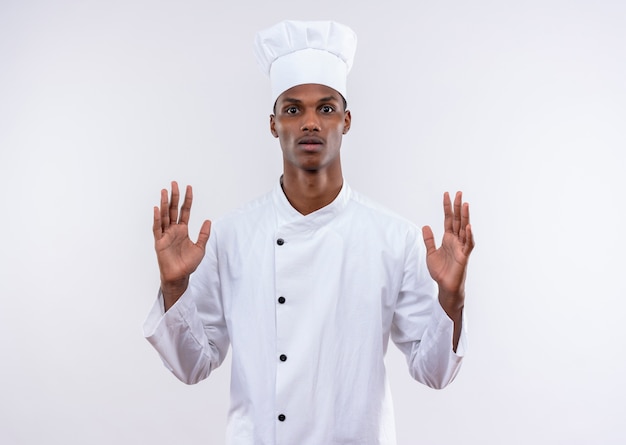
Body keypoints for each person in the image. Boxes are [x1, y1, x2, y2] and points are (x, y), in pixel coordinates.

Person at [144, 20, 475, 445]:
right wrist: (174, 287)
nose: (311, 123)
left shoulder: (396, 238)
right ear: (273, 123)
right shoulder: (230, 236)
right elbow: (192, 366)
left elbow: (434, 373)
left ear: (347, 120)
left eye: (326, 108)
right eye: (293, 109)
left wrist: (452, 298)